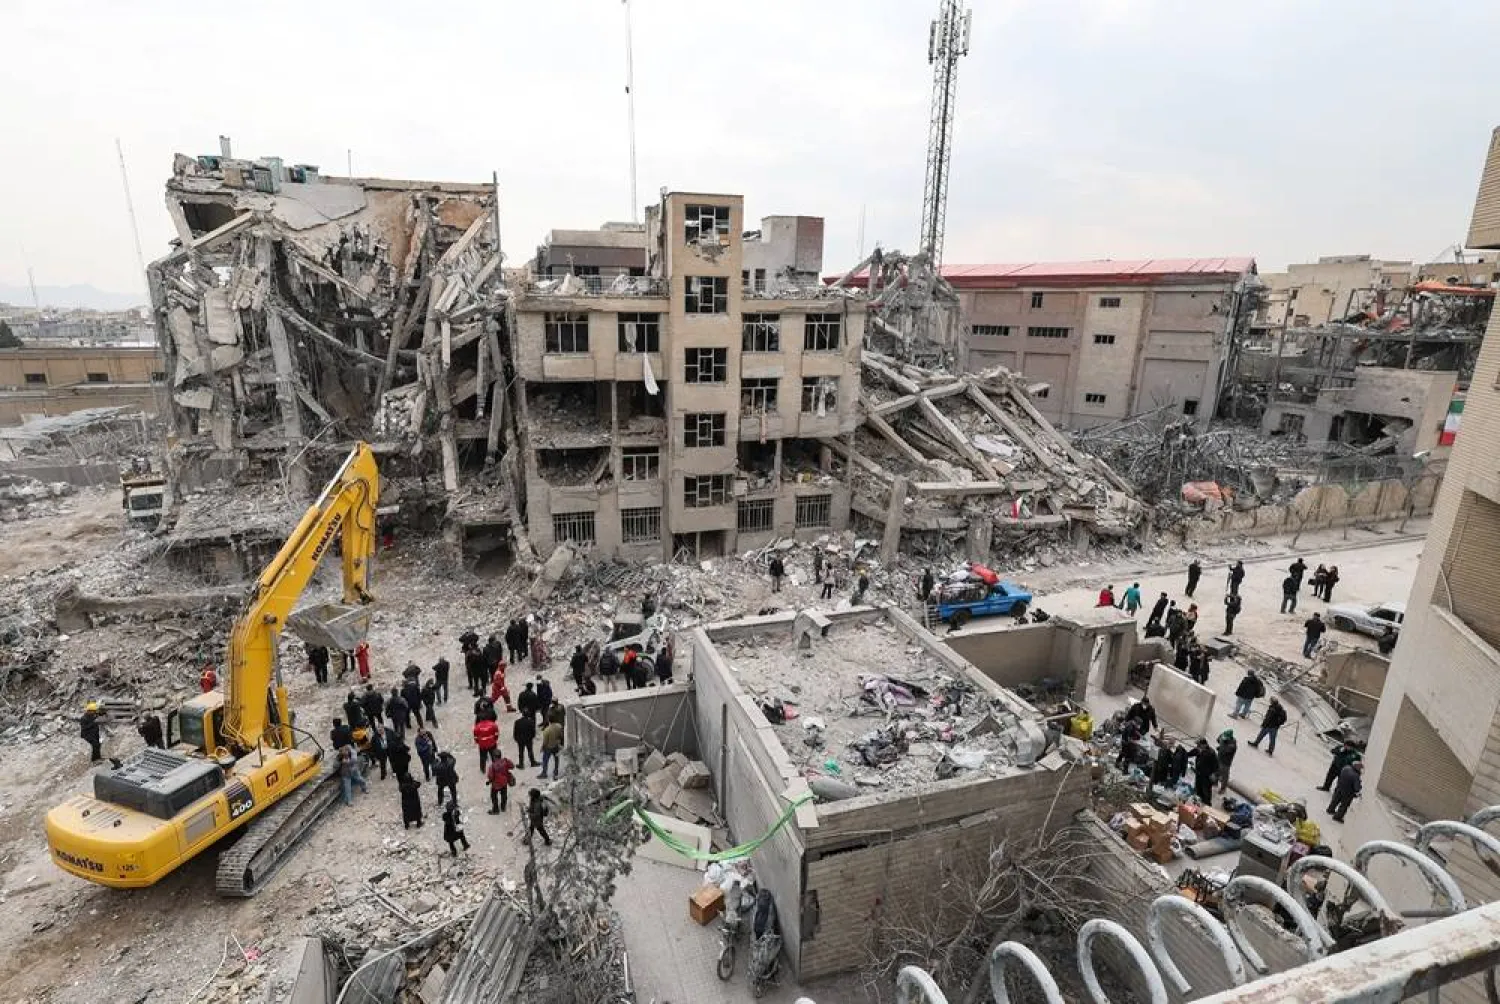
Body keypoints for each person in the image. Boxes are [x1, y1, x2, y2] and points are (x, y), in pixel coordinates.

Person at [1191, 738, 1218, 803]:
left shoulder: (1211, 753)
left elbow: (1216, 765)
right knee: (1198, 790)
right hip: (1198, 774)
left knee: (1206, 793)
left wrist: (1214, 774)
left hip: (1206, 777)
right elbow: (1189, 754)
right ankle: (1199, 802)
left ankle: (1207, 806)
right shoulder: (1198, 750)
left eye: (1199, 745)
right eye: (1197, 745)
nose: (1197, 746)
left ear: (1204, 745)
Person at [1216, 730, 1238, 794]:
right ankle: (1215, 782)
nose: (1224, 738)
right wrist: (1221, 737)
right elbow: (1218, 740)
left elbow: (1225, 751)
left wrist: (1220, 747)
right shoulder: (1223, 736)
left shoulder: (1232, 745)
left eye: (1225, 737)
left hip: (1226, 762)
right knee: (1216, 770)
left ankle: (1223, 789)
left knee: (1224, 776)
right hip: (1219, 758)